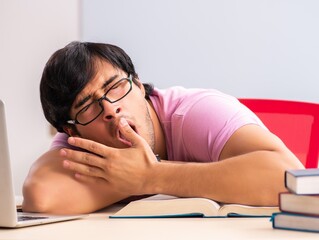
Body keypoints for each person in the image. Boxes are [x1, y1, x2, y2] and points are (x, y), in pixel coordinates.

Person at [22, 41, 303, 214]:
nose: (110, 109)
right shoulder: (80, 141)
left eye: (116, 87)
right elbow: (42, 195)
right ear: (71, 132)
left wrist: (151, 176)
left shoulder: (196, 111)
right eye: (87, 106)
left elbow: (289, 178)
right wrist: (129, 176)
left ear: (139, 85)